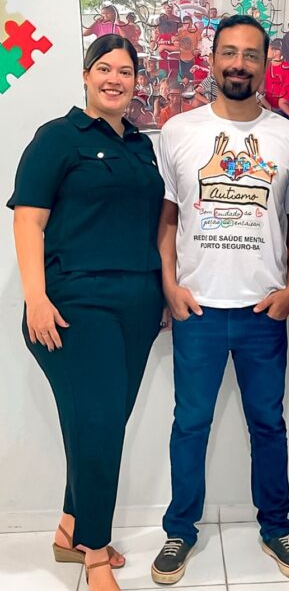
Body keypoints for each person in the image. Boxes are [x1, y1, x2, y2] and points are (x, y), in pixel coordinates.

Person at [152, 14, 289, 584]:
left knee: (268, 424)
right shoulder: (177, 131)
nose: (239, 63)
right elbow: (167, 219)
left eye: (250, 54)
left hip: (261, 311)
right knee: (189, 424)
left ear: (265, 64)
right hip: (196, 309)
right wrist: (169, 284)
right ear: (212, 59)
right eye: (229, 53)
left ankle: (277, 527)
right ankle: (180, 530)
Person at [7, 34, 165, 591]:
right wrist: (36, 298)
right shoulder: (57, 138)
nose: (114, 79)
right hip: (75, 304)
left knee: (100, 424)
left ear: (136, 81)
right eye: (104, 68)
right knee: (97, 426)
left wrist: (160, 292)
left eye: (125, 71)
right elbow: (28, 221)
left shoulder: (142, 147)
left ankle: (71, 525)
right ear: (85, 74)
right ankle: (94, 551)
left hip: (138, 306)